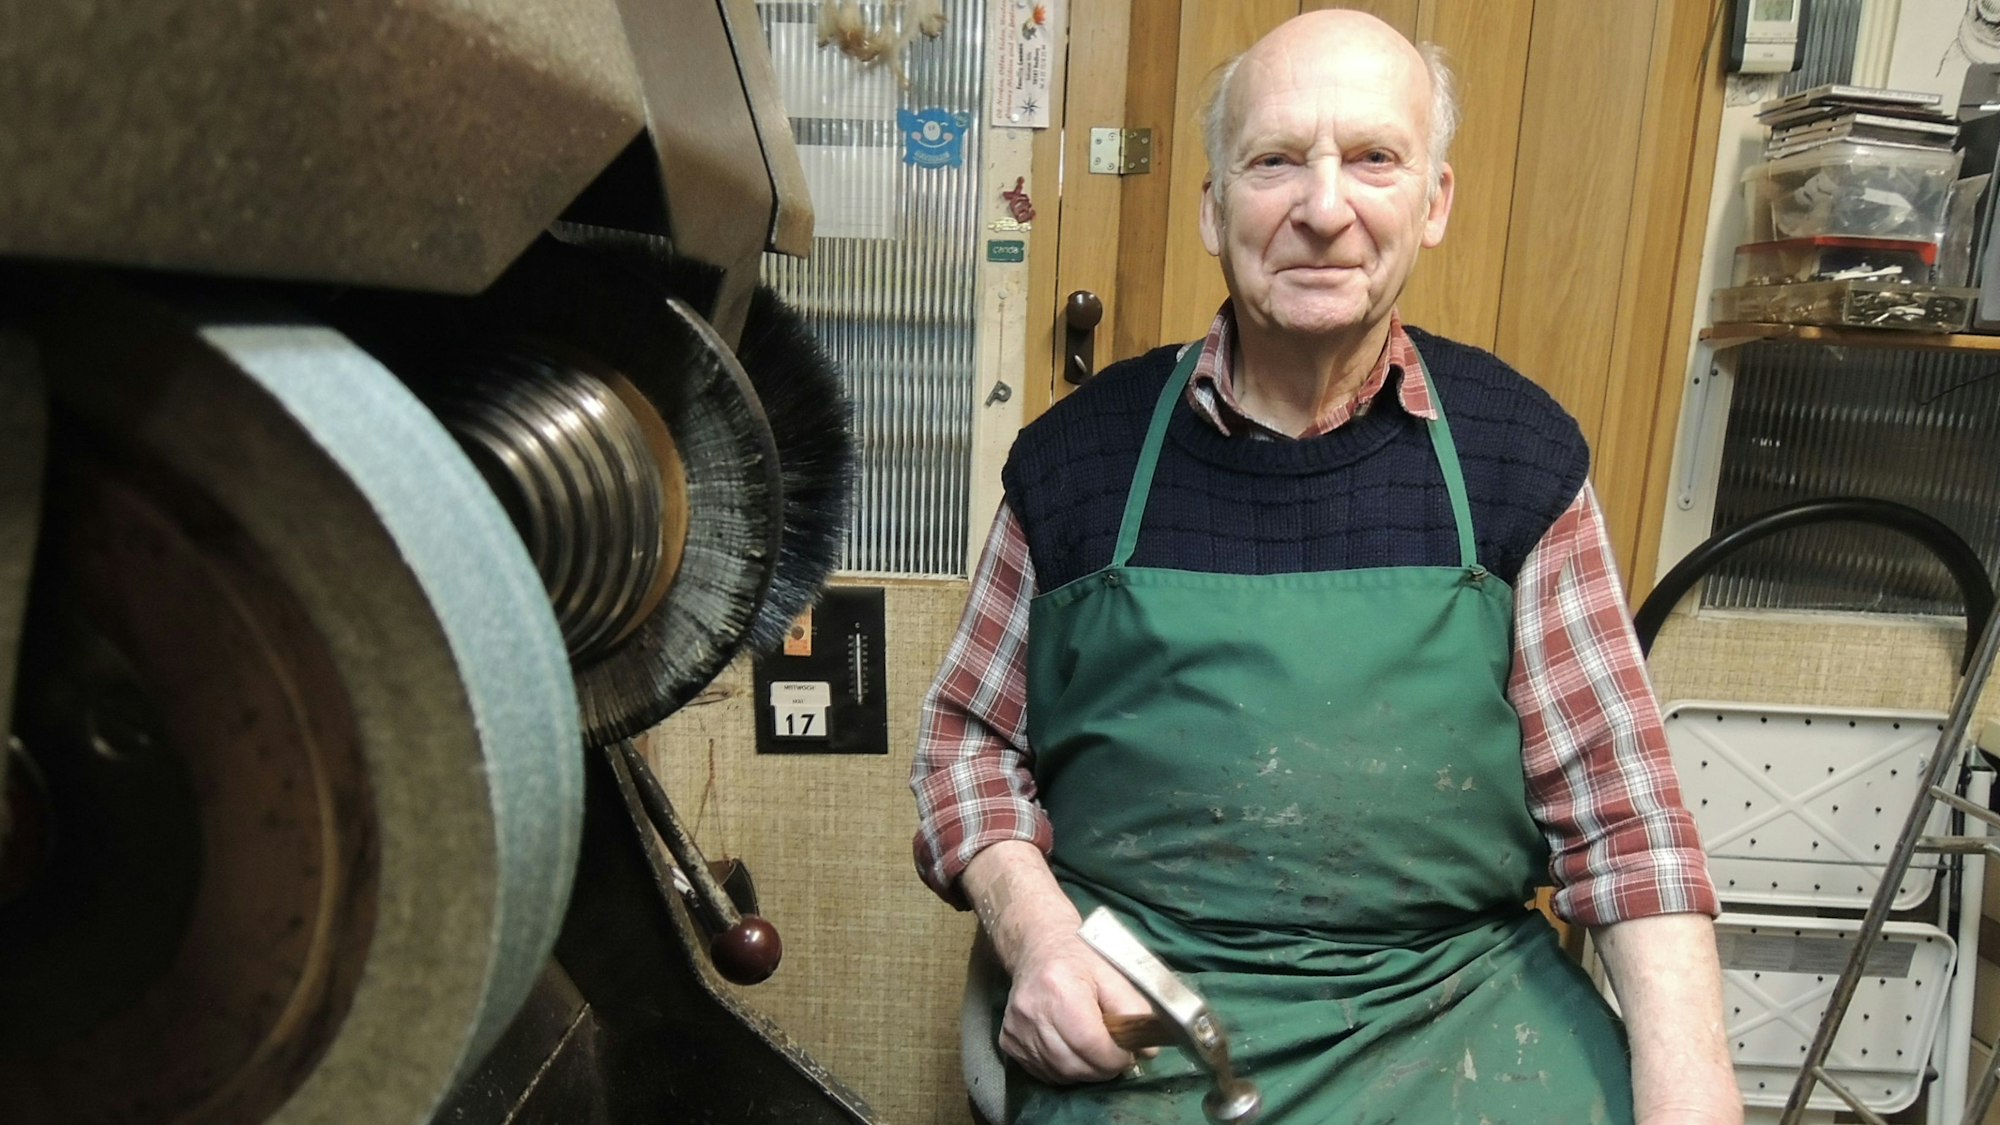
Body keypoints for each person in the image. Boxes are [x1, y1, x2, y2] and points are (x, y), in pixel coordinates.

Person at [910, 10, 1738, 1124]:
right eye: (1273, 162)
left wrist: (1693, 1099)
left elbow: (1625, 818)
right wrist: (1039, 939)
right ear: (1211, 208)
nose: (1323, 208)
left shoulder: (1516, 457)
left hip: (1457, 1003)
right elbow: (965, 748)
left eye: (1372, 159)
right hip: (1155, 1006)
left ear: (1432, 202)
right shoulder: (1075, 462)